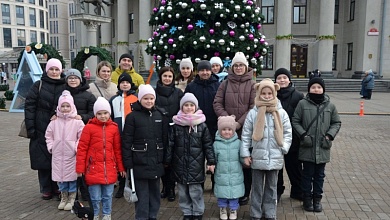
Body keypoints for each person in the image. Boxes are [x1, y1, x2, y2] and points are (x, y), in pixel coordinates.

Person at [241, 78, 292, 220]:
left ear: (274, 93)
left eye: (270, 93)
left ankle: (270, 212)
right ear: (259, 93)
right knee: (256, 187)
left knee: (271, 187)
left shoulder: (281, 113)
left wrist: (284, 148)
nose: (267, 96)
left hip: (275, 156)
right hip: (257, 156)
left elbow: (288, 132)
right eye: (264, 93)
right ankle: (255, 213)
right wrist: (245, 153)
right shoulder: (253, 113)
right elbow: (246, 134)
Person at [292, 77, 341, 213]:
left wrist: (329, 135)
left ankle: (317, 199)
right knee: (307, 175)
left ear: (323, 89)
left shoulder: (330, 105)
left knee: (319, 176)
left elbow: (336, 122)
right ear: (309, 89)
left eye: (319, 87)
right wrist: (303, 135)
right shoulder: (302, 104)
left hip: (323, 147)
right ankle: (307, 199)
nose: (316, 89)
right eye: (313, 87)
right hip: (307, 147)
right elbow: (295, 121)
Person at [213, 52, 256, 205]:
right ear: (232, 67)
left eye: (241, 65)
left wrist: (239, 123)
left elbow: (253, 107)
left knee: (245, 162)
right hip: (227, 131)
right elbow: (217, 103)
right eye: (236, 65)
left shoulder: (252, 84)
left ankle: (244, 193)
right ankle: (227, 193)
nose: (238, 68)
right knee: (227, 161)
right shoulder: (225, 83)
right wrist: (228, 121)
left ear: (245, 67)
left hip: (246, 129)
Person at [122, 84, 169, 220]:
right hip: (139, 163)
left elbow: (164, 139)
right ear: (140, 99)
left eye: (151, 98)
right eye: (145, 98)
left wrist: (165, 158)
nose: (149, 101)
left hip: (156, 162)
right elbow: (126, 142)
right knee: (142, 196)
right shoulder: (132, 117)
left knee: (155, 194)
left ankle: (153, 216)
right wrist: (128, 162)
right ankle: (141, 217)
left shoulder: (160, 115)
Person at [165, 93, 215, 220]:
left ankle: (198, 212)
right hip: (179, 164)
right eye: (186, 105)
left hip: (196, 165)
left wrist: (211, 161)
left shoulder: (202, 125)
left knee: (196, 191)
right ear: (182, 107)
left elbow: (208, 144)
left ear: (195, 107)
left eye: (191, 105)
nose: (188, 107)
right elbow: (170, 144)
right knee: (182, 191)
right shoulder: (176, 124)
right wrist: (167, 160)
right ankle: (187, 211)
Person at [76, 97, 126, 220]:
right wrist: (80, 168)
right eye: (99, 113)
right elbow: (82, 149)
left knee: (108, 195)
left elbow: (117, 149)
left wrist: (121, 167)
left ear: (109, 113)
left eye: (105, 113)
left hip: (109, 168)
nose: (103, 116)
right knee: (95, 197)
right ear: (95, 114)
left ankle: (107, 214)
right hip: (92, 169)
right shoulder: (89, 128)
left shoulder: (114, 128)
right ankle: (95, 215)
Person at [24, 58, 65, 200]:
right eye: (51, 69)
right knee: (42, 160)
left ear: (61, 71)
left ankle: (57, 187)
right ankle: (46, 188)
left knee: (58, 159)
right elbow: (29, 106)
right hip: (40, 128)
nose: (54, 72)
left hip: (60, 129)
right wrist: (31, 128)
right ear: (46, 70)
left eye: (56, 69)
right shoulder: (38, 85)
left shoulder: (65, 86)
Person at [45, 90, 85, 211]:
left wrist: (75, 147)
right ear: (59, 107)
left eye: (68, 106)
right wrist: (51, 146)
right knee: (61, 179)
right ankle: (63, 197)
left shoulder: (78, 122)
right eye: (63, 106)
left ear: (72, 106)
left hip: (71, 155)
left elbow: (82, 137)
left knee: (71, 179)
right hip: (57, 155)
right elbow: (48, 135)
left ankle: (72, 198)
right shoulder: (54, 122)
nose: (65, 108)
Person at [273, 68, 304, 202]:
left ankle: (297, 190)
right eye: (279, 78)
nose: (282, 80)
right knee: (277, 168)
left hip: (293, 138)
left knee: (294, 166)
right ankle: (277, 191)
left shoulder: (298, 96)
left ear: (289, 79)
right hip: (275, 137)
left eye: (284, 78)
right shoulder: (272, 94)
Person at [155, 66, 184, 201]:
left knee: (172, 160)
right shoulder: (154, 93)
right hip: (159, 130)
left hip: (174, 131)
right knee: (161, 160)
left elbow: (184, 109)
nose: (167, 78)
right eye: (165, 76)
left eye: (170, 76)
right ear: (161, 77)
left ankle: (171, 188)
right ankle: (165, 186)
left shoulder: (178, 93)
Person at [109, 72, 138, 198]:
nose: (125, 84)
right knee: (120, 160)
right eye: (122, 82)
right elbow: (110, 117)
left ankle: (132, 183)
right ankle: (121, 185)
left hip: (133, 135)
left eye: (127, 82)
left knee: (132, 158)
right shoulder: (114, 100)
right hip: (118, 135)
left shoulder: (136, 99)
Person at [213, 115, 244, 220]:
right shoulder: (216, 144)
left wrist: (246, 160)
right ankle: (222, 209)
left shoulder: (239, 143)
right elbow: (213, 158)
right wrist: (211, 164)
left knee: (234, 194)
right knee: (222, 193)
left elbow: (242, 157)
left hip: (235, 174)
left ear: (234, 130)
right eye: (224, 130)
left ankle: (233, 209)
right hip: (221, 174)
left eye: (229, 129)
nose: (227, 132)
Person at [185, 60, 220, 139]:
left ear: (211, 71)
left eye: (207, 70)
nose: (205, 72)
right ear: (198, 72)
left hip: (214, 124)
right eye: (202, 70)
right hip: (196, 124)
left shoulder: (218, 85)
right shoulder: (191, 86)